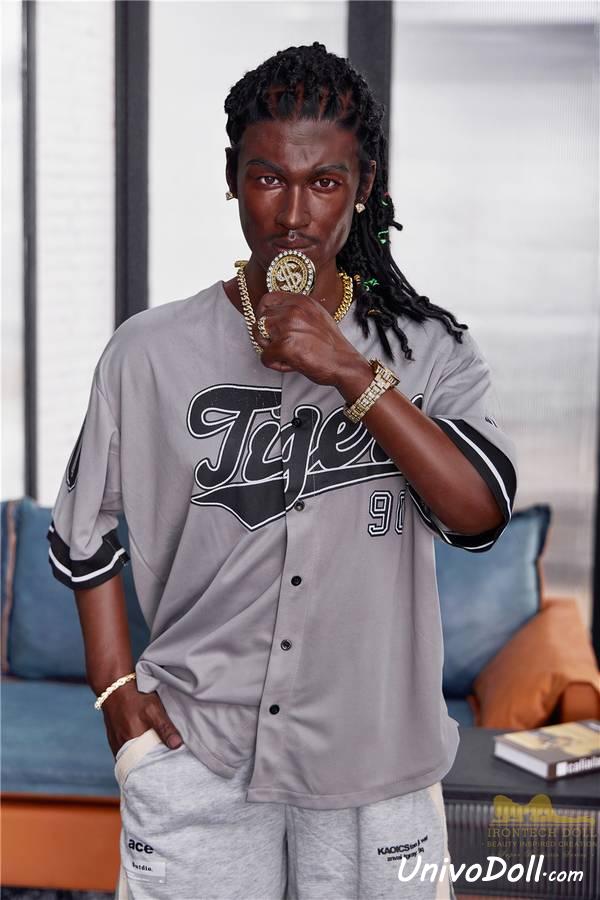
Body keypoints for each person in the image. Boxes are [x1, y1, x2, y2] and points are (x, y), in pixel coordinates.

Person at [47, 42, 517, 900]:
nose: (294, 214)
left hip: (375, 761)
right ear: (231, 179)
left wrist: (350, 371)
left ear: (363, 186)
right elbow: (83, 530)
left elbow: (479, 514)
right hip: (199, 748)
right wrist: (115, 691)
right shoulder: (147, 352)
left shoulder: (430, 348)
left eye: (324, 182)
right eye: (268, 178)